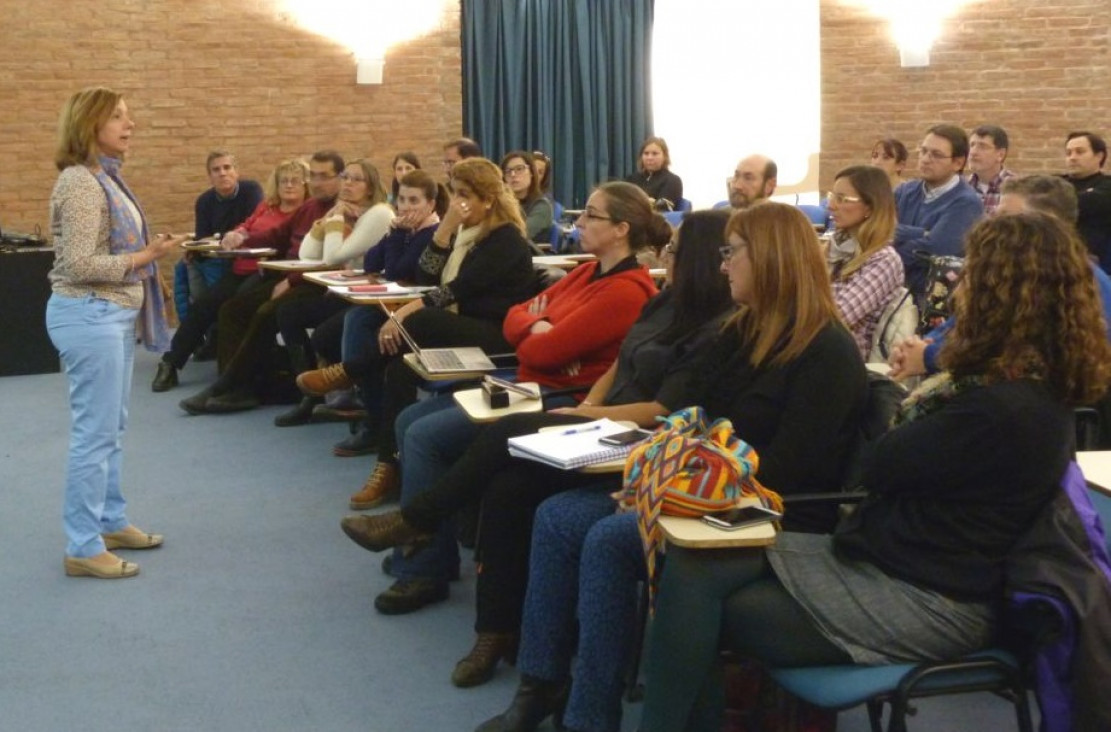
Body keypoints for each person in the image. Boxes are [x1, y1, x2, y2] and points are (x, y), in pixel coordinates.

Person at [639, 211, 1111, 732]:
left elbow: (879, 466)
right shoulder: (999, 387)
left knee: (701, 611)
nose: (959, 284)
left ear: (1006, 295)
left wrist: (894, 398)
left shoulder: (1003, 405)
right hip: (891, 560)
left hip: (934, 596)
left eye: (974, 272)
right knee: (688, 563)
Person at [475, 202, 867, 732]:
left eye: (733, 253)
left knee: (610, 539)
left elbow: (787, 470)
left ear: (772, 259)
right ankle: (541, 683)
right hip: (698, 491)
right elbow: (684, 417)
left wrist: (669, 489)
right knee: (558, 516)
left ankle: (590, 714)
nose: (723, 264)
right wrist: (652, 479)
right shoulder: (740, 330)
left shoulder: (829, 353)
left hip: (765, 511)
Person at [337, 185, 673, 664]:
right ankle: (421, 544)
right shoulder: (584, 273)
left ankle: (423, 561)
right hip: (526, 382)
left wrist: (542, 328)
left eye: (592, 216)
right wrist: (539, 325)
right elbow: (519, 323)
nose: (580, 222)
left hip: (562, 397)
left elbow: (542, 348)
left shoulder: (627, 289)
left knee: (427, 436)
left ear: (621, 229)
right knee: (413, 419)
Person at [295, 157, 536, 490]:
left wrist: (406, 312)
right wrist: (446, 230)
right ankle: (388, 466)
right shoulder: (464, 234)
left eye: (465, 194)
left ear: (488, 199)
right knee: (399, 367)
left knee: (418, 320)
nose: (458, 203)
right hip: (459, 327)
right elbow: (426, 275)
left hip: (495, 337)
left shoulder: (505, 239)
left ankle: (350, 369)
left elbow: (454, 290)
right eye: (454, 193)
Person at [47, 87, 184, 579]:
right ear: (90, 126)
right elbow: (76, 263)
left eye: (129, 115)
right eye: (119, 117)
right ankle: (83, 546)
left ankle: (108, 520)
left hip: (108, 313)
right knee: (94, 435)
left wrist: (148, 251)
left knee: (111, 429)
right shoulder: (83, 184)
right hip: (90, 312)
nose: (131, 124)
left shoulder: (105, 177)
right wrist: (144, 257)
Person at [889, 174, 1111, 380]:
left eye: (1007, 218)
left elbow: (1005, 349)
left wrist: (929, 355)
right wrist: (920, 347)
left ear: (1046, 224)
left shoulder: (1078, 285)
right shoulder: (1014, 275)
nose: (993, 226)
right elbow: (966, 326)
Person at [177, 150, 344, 414]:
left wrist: (290, 280)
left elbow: (333, 259)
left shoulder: (341, 209)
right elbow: (280, 235)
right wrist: (242, 238)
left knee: (266, 313)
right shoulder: (310, 207)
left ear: (340, 178)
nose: (317, 181)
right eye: (313, 175)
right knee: (231, 310)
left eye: (325, 176)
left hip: (316, 283)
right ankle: (235, 387)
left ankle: (230, 386)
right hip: (289, 274)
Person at [152, 158, 310, 392]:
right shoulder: (267, 206)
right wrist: (236, 234)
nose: (288, 186)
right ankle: (170, 363)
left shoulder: (304, 212)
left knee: (235, 309)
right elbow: (246, 225)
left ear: (305, 185)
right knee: (204, 305)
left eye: (295, 181)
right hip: (240, 267)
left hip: (270, 272)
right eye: (283, 181)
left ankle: (234, 374)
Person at [324, 169, 447, 455]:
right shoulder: (403, 230)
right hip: (393, 302)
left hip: (420, 308)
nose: (406, 207)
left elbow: (395, 271)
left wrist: (398, 235)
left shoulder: (431, 233)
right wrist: (394, 232)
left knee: (359, 325)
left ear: (431, 204)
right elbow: (371, 262)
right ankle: (357, 394)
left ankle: (372, 416)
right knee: (330, 332)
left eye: (414, 201)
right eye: (402, 199)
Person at [269, 159, 394, 425]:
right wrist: (326, 220)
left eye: (355, 179)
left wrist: (335, 220)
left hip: (372, 297)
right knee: (288, 313)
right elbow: (307, 254)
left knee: (323, 336)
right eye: (345, 177)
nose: (347, 183)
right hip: (347, 292)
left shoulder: (379, 214)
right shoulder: (354, 213)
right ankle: (312, 395)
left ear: (370, 187)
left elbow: (332, 257)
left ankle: (347, 396)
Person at [172, 151, 263, 323]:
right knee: (182, 267)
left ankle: (206, 315)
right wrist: (195, 248)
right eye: (216, 170)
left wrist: (219, 237)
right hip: (214, 254)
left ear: (236, 171)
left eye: (227, 167)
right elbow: (202, 236)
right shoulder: (204, 201)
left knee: (210, 279)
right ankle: (191, 323)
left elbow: (252, 227)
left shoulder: (251, 190)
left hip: (239, 256)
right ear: (210, 176)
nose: (222, 173)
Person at [893, 124, 984, 293]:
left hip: (930, 302)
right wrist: (923, 233)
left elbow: (934, 251)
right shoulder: (904, 192)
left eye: (936, 155)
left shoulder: (967, 203)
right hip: (891, 292)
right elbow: (877, 230)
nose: (926, 159)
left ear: (958, 163)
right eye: (923, 151)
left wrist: (889, 252)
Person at [825, 165, 904, 358]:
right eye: (832, 196)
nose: (831, 205)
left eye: (842, 199)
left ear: (869, 207)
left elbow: (835, 317)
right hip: (820, 352)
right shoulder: (834, 248)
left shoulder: (884, 260)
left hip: (847, 362)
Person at [1062, 131, 1111, 273]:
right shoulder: (1056, 182)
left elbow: (1084, 204)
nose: (1072, 158)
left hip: (1091, 264)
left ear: (1099, 156)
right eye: (1069, 153)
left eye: (1080, 152)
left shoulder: (1107, 186)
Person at [501, 150, 554, 246]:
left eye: (519, 169)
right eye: (508, 171)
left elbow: (520, 234)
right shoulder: (501, 204)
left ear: (531, 173)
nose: (513, 175)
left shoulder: (542, 205)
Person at [966, 124, 1017, 215]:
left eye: (982, 147)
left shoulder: (1016, 188)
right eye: (972, 145)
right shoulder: (963, 187)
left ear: (1000, 155)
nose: (973, 152)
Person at [626, 136, 683, 211]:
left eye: (655, 154)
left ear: (665, 157)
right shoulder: (632, 179)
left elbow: (662, 209)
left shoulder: (673, 180)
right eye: (646, 153)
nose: (649, 158)